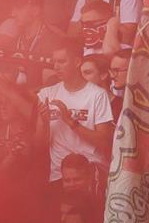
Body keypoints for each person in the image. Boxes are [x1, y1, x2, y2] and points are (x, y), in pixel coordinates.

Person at [36, 39, 114, 180]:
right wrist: (44, 123)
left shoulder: (97, 94)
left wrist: (70, 121)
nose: (56, 67)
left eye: (62, 61)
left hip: (92, 173)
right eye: (54, 62)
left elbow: (104, 142)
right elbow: (39, 146)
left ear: (77, 62)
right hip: (60, 176)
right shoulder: (46, 94)